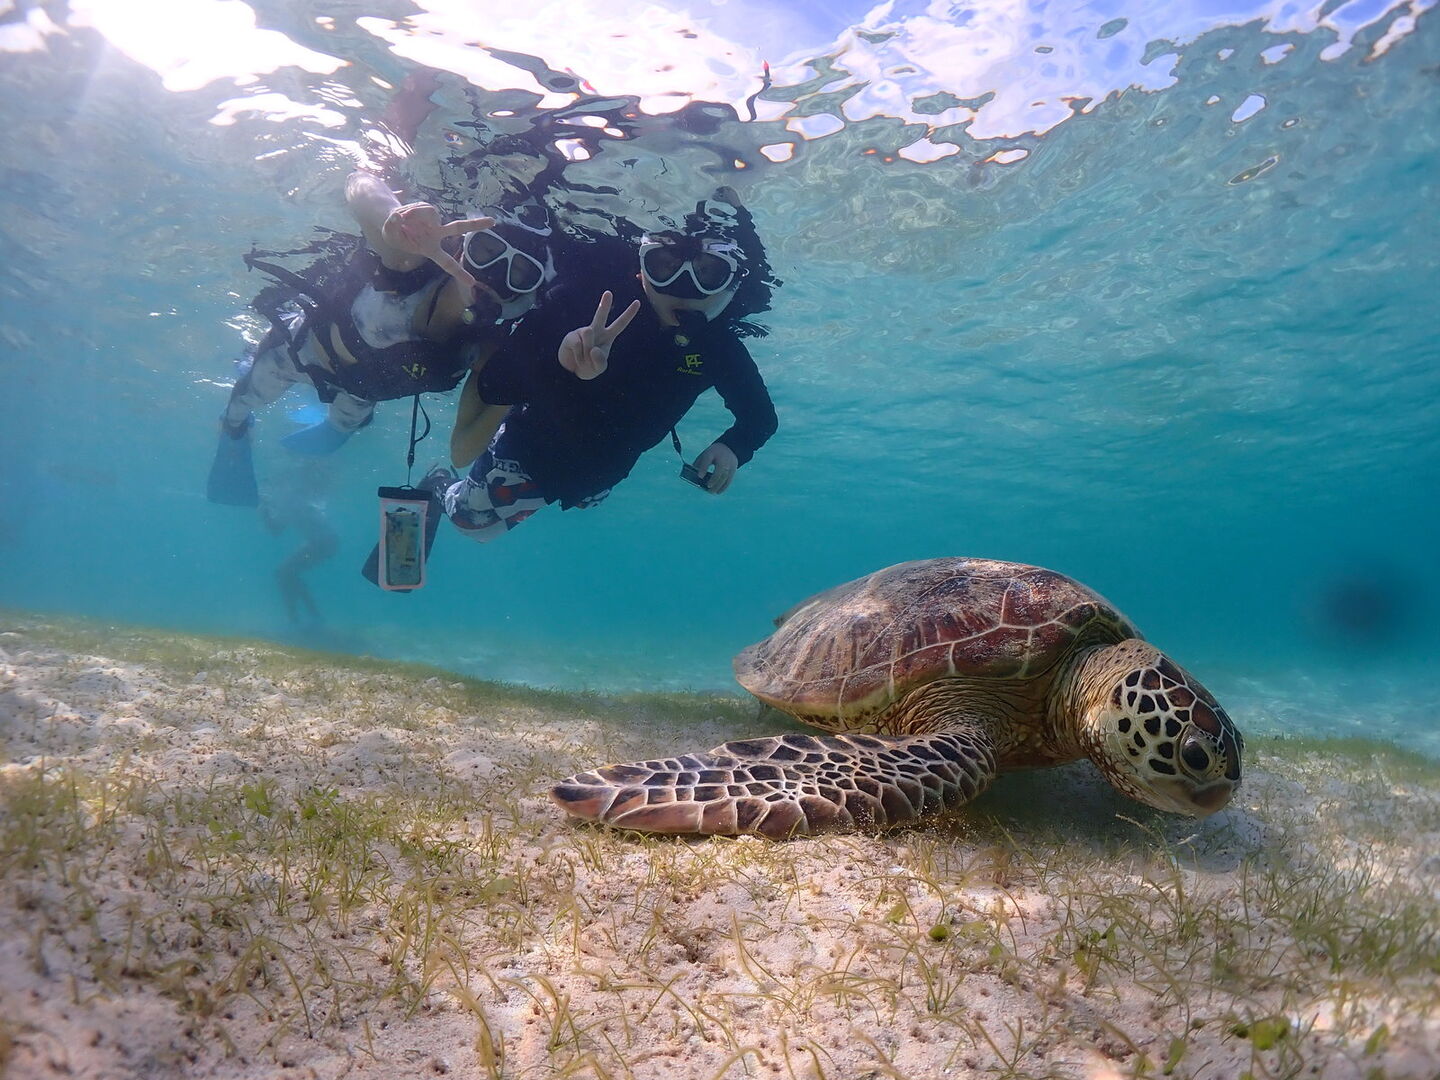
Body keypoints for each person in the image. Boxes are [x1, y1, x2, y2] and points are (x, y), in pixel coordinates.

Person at [434, 187, 779, 545]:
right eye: (663, 266)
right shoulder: (588, 303)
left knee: (551, 504)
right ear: (641, 272)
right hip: (526, 458)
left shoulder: (718, 347)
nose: (682, 287)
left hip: (600, 476)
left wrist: (734, 447)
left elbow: (759, 418)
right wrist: (561, 362)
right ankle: (439, 485)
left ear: (730, 283)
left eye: (708, 273)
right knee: (474, 527)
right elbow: (495, 386)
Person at [206, 171, 548, 506]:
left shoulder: (483, 348)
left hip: (360, 394)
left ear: (522, 296)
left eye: (520, 273)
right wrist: (393, 220)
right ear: (463, 248)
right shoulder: (409, 262)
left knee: (341, 429)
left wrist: (519, 382)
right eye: (487, 251)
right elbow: (359, 182)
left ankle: (335, 430)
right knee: (240, 408)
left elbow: (461, 453)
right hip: (296, 357)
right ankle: (234, 429)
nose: (492, 275)